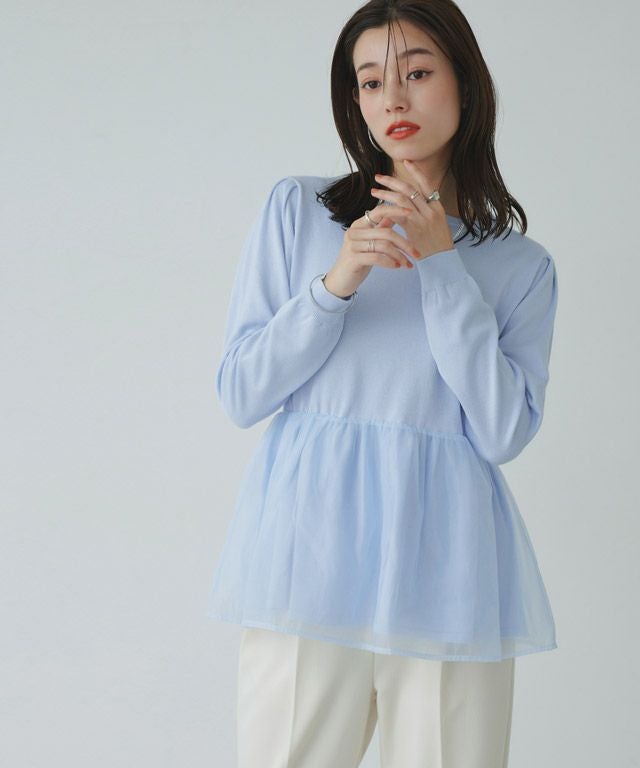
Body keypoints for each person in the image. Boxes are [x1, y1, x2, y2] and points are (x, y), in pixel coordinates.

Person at [207, 0, 559, 765]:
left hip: (450, 568)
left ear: (465, 83)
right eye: (370, 81)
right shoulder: (300, 211)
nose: (392, 98)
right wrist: (336, 283)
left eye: (417, 72)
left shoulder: (521, 267)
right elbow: (242, 393)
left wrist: (443, 267)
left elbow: (502, 432)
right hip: (309, 554)